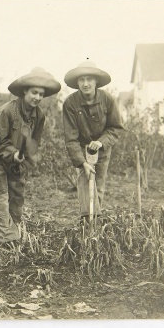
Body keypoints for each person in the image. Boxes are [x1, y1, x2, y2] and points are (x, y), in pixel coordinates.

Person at [0, 68, 61, 243]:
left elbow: (33, 144)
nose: (37, 97)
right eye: (34, 92)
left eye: (41, 94)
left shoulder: (39, 115)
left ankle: (14, 227)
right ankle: (7, 239)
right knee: (0, 192)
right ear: (25, 91)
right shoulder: (7, 111)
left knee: (17, 190)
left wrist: (26, 160)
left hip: (16, 154)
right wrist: (14, 154)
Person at [62, 60, 124, 222]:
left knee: (99, 185)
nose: (85, 83)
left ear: (96, 81)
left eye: (89, 79)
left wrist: (102, 142)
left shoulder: (108, 100)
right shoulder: (70, 103)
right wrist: (81, 161)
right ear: (77, 83)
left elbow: (116, 127)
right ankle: (88, 221)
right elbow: (71, 137)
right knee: (84, 181)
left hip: (103, 148)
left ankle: (96, 222)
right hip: (82, 148)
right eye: (81, 80)